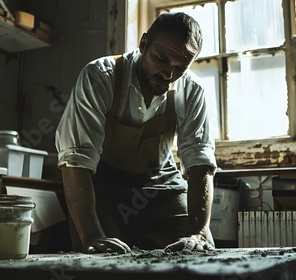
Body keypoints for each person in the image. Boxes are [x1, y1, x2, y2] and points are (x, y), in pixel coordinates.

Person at [55, 12, 217, 254]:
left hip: (161, 183)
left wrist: (199, 231)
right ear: (143, 44)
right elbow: (76, 160)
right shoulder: (100, 77)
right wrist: (91, 235)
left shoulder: (191, 91)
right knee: (97, 260)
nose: (168, 74)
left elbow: (200, 162)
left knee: (200, 253)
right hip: (103, 184)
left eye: (180, 67)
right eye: (161, 59)